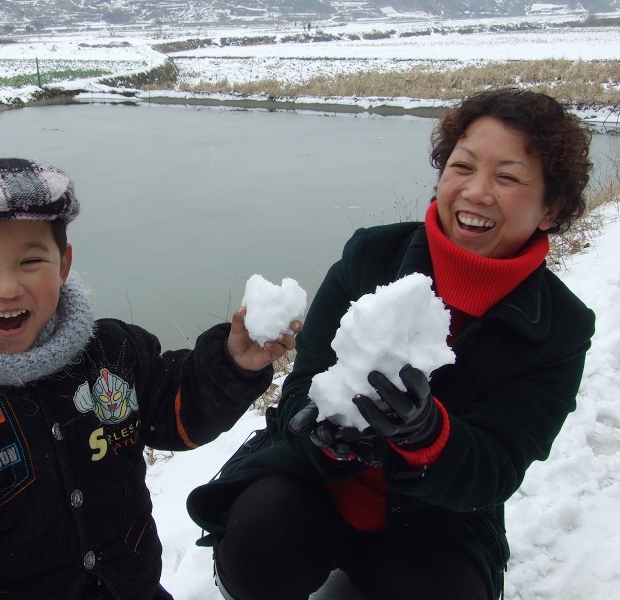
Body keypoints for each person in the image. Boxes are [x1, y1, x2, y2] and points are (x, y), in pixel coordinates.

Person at [186, 88, 595, 600]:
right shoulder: (371, 257)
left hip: (438, 518)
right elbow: (303, 386)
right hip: (312, 486)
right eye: (462, 166)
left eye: (507, 177)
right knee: (259, 554)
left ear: (550, 209)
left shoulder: (560, 327)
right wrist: (323, 438)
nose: (476, 191)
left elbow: (499, 465)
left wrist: (429, 436)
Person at [0, 157, 300, 600]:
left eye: (30, 261)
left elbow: (179, 411)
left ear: (63, 264)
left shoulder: (111, 353)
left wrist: (232, 363)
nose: (7, 287)